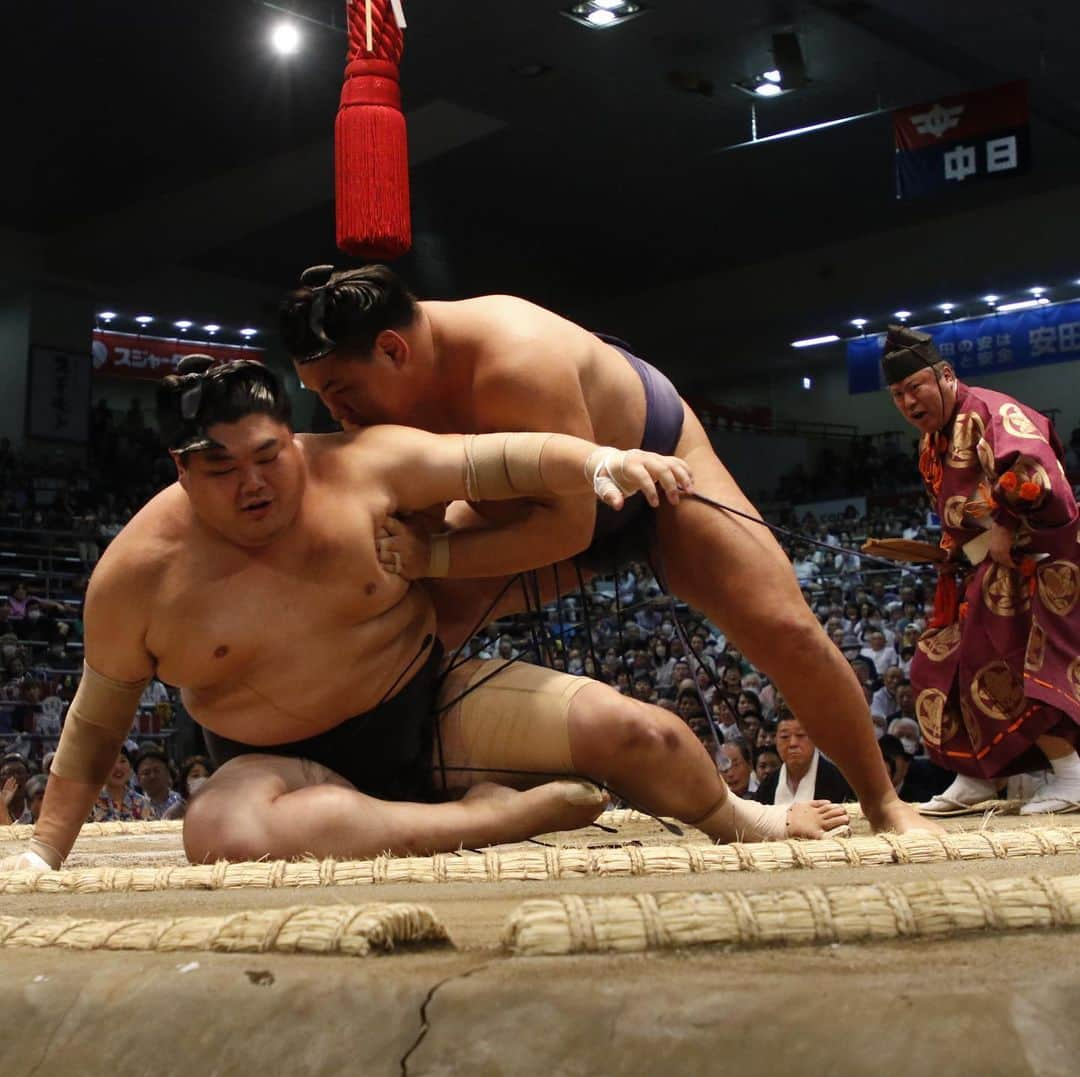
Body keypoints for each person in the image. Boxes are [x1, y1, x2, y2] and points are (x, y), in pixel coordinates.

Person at [1, 359, 846, 874]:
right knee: (219, 831)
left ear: (292, 441)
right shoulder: (134, 575)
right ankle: (492, 820)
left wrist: (598, 458)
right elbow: (95, 726)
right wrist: (43, 853)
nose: (253, 483)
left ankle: (751, 817)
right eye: (221, 468)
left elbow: (496, 458)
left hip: (430, 711)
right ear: (180, 469)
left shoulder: (367, 467)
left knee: (643, 735)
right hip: (277, 770)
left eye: (268, 456)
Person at [278, 265, 928, 836]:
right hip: (528, 504)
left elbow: (571, 531)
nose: (338, 414)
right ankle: (380, 795)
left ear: (392, 349)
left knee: (784, 626)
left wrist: (437, 555)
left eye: (341, 392)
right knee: (411, 619)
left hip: (656, 468)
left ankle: (883, 802)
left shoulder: (514, 359)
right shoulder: (385, 407)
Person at [880, 325, 1080, 814]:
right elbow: (960, 513)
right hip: (986, 567)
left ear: (946, 376)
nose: (908, 402)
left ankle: (1073, 775)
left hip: (1039, 560)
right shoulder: (933, 442)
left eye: (915, 388)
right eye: (898, 395)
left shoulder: (990, 411)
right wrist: (947, 551)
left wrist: (1008, 526)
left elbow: (1034, 469)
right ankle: (976, 775)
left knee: (1009, 660)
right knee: (938, 661)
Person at [754, 715, 854, 807]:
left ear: (814, 738)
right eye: (785, 737)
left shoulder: (839, 781)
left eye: (800, 735)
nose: (792, 743)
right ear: (776, 741)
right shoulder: (767, 786)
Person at [135, 746, 183, 820]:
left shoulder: (181, 803)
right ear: (138, 779)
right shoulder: (134, 806)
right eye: (146, 773)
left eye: (157, 770)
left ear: (167, 773)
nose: (152, 776)